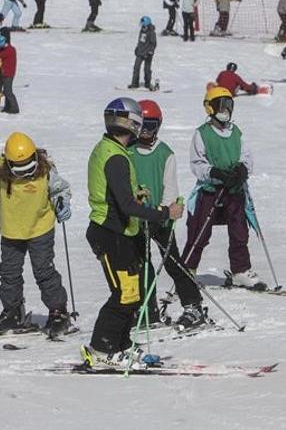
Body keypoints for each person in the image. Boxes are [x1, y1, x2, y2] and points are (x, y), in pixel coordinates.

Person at [82, 98, 185, 370]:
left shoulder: (112, 148)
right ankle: (102, 348)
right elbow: (125, 205)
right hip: (110, 233)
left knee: (132, 292)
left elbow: (119, 195)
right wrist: (165, 213)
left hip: (119, 231)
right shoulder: (115, 155)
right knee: (124, 294)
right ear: (132, 123)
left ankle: (121, 342)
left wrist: (135, 192)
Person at [0, 132, 73, 336]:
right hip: (11, 230)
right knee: (9, 273)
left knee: (44, 271)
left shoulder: (46, 170)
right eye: (20, 169)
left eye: (29, 166)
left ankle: (58, 312)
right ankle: (13, 312)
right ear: (9, 163)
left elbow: (60, 190)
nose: (26, 173)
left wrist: (62, 202)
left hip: (40, 228)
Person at [128, 100, 208, 330]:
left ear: (158, 126)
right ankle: (148, 310)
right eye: (140, 126)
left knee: (173, 262)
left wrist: (159, 216)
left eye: (149, 126)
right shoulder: (128, 151)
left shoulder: (165, 154)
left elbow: (170, 189)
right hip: (136, 219)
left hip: (160, 219)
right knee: (142, 266)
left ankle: (193, 305)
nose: (144, 132)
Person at [183, 87, 264, 288]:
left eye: (229, 106)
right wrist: (214, 173)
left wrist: (242, 170)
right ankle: (187, 270)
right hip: (211, 190)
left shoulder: (235, 132)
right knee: (200, 231)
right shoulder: (202, 134)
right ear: (210, 108)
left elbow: (246, 156)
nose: (226, 111)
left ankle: (240, 270)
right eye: (221, 106)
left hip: (234, 190)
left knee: (239, 231)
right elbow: (197, 163)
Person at [0, 34, 20, 114]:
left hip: (8, 74)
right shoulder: (10, 49)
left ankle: (15, 108)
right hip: (6, 73)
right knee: (6, 91)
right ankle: (8, 107)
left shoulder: (8, 50)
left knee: (8, 92)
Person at [131, 17, 158, 91]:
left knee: (147, 69)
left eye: (143, 24)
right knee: (136, 67)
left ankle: (147, 83)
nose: (142, 25)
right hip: (140, 52)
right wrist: (137, 48)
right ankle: (134, 83)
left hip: (148, 53)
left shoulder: (151, 32)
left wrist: (150, 51)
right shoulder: (142, 30)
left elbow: (153, 43)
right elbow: (140, 41)